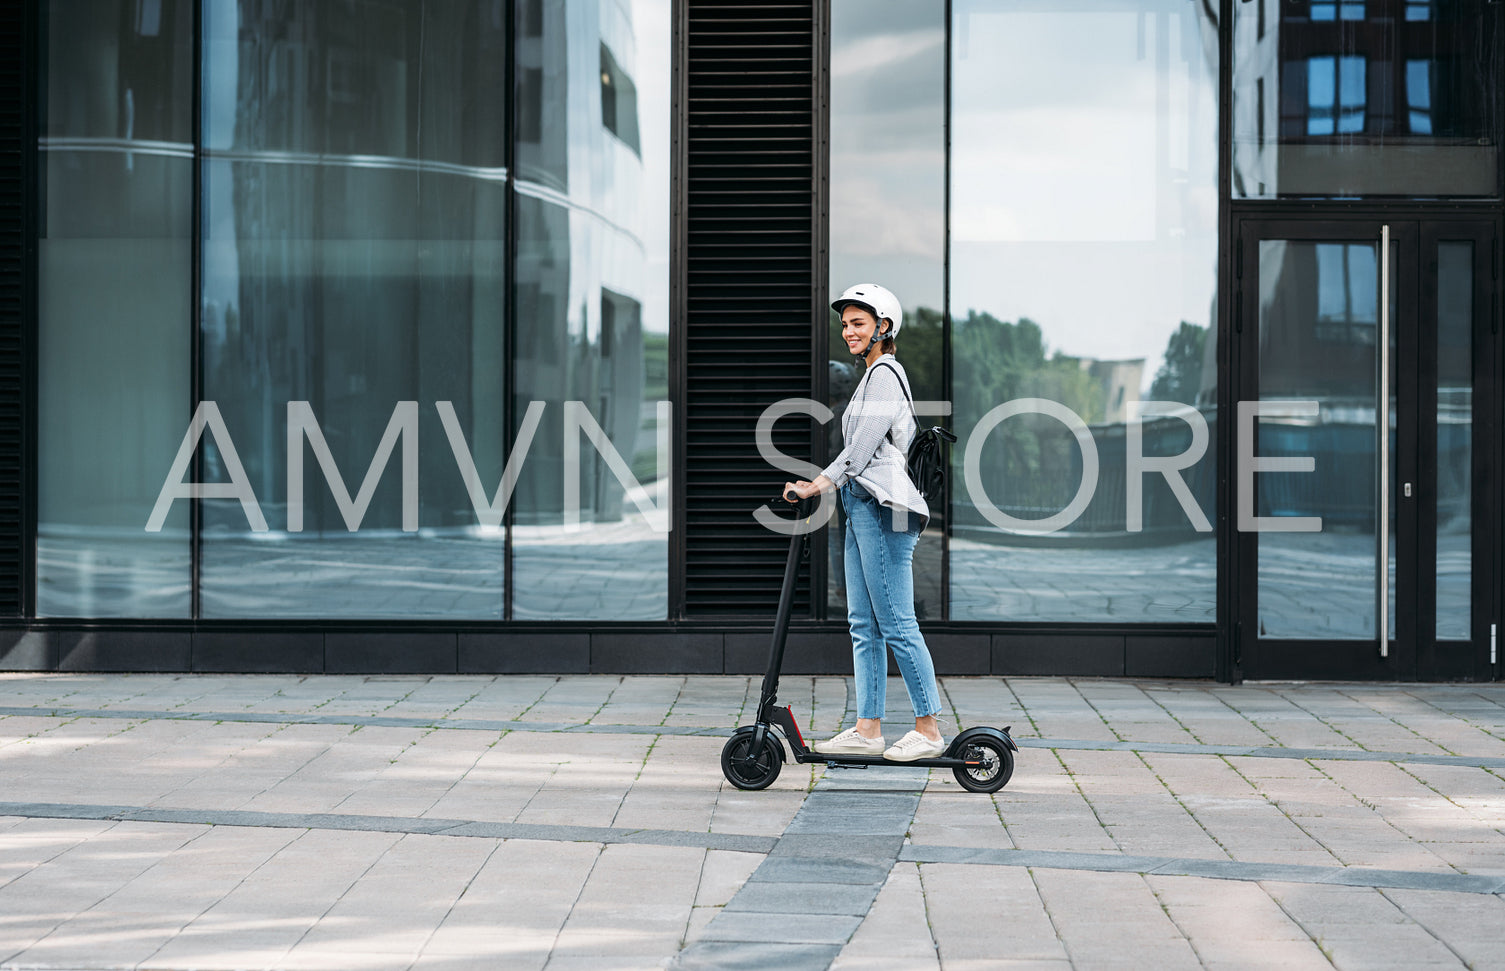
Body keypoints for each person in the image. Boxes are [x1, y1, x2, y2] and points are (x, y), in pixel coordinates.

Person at [784, 283, 945, 762]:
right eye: (845, 324)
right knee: (862, 624)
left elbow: (860, 450)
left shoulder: (886, 375)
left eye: (858, 323)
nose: (848, 331)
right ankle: (868, 727)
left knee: (896, 622)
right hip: (861, 507)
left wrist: (815, 484)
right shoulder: (870, 376)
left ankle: (929, 728)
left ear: (883, 327)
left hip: (884, 511)